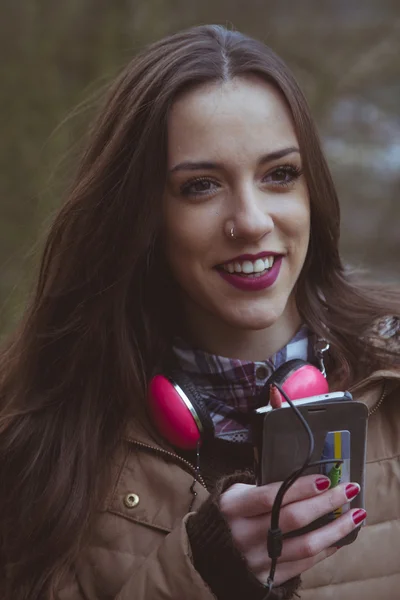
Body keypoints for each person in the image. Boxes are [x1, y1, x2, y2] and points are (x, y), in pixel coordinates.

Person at [0, 24, 399, 600]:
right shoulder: (41, 440)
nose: (252, 220)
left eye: (279, 175)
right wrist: (205, 573)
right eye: (201, 186)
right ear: (143, 216)